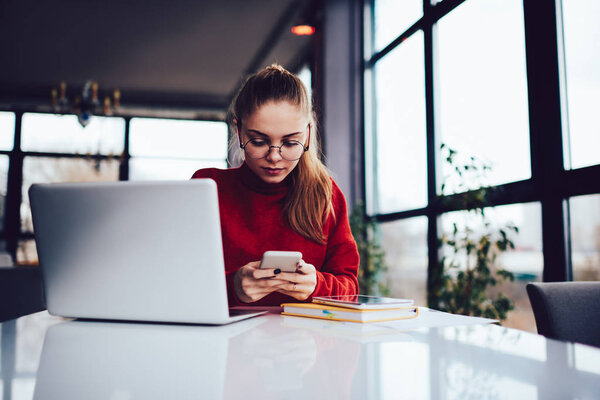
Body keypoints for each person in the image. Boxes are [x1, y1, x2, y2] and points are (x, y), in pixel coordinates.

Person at [191, 64, 359, 306]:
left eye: (290, 143)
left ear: (308, 134)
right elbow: (182, 281)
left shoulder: (326, 195)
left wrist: (317, 286)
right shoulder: (208, 188)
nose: (274, 156)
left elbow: (350, 288)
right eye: (259, 141)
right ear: (238, 132)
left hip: (307, 341)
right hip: (223, 341)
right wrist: (232, 287)